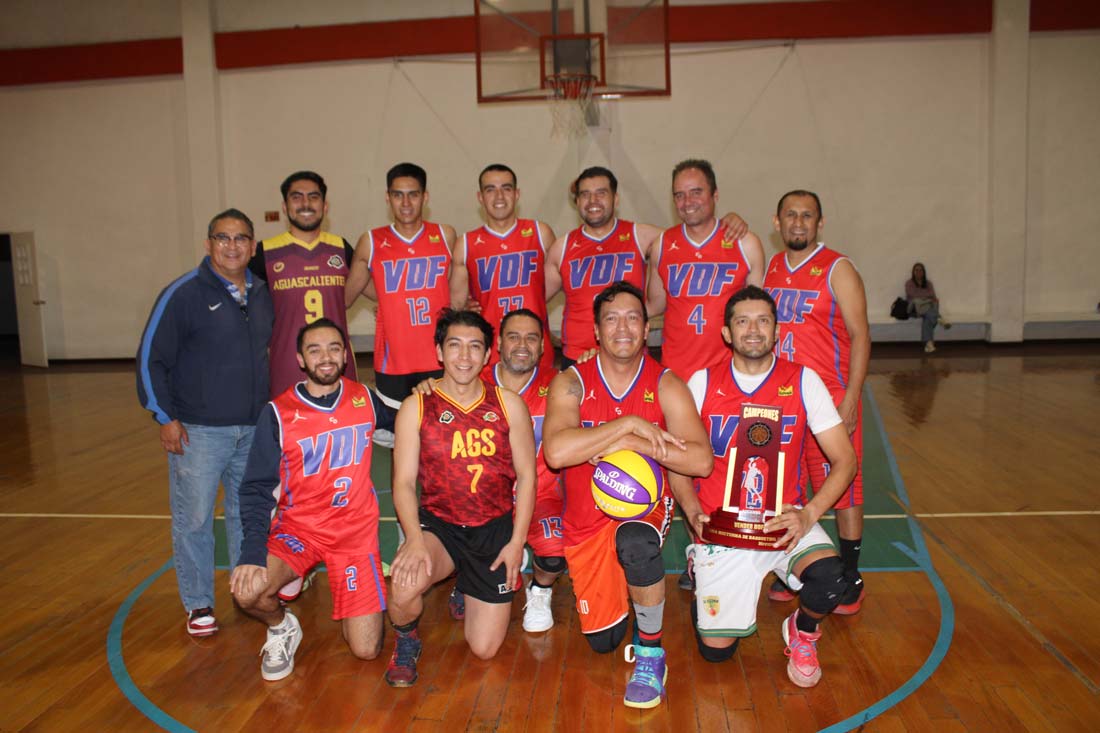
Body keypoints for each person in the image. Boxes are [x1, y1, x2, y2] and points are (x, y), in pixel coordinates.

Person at [671, 286, 857, 688]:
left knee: (831, 577)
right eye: (742, 321)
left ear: (777, 331)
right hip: (723, 527)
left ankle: (803, 631)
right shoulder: (703, 383)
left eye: (763, 321)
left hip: (782, 523)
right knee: (716, 653)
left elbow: (845, 460)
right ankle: (701, 567)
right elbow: (677, 463)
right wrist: (692, 511)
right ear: (726, 332)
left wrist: (809, 513)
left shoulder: (803, 381)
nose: (753, 330)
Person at [543, 282, 713, 709]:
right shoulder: (570, 382)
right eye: (612, 319)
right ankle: (634, 588)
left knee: (635, 543)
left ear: (647, 327)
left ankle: (652, 654)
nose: (623, 328)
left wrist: (633, 444)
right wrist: (629, 425)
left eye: (633, 318)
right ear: (596, 331)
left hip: (644, 509)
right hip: (585, 523)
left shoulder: (668, 384)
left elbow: (701, 461)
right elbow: (557, 452)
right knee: (604, 641)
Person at [230, 319, 393, 681]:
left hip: (354, 535)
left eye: (334, 348)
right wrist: (252, 552)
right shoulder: (278, 413)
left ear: (345, 355)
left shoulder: (364, 398)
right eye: (314, 350)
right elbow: (256, 488)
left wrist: (433, 394)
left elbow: (409, 422)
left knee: (366, 650)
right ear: (301, 359)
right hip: (299, 531)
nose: (326, 357)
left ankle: (321, 590)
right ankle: (281, 625)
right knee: (248, 592)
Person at [136, 208, 273, 636]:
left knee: (246, 515)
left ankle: (246, 592)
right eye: (222, 237)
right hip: (199, 432)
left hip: (253, 429)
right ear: (208, 243)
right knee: (194, 519)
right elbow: (150, 359)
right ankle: (198, 604)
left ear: (253, 246)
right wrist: (165, 417)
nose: (232, 246)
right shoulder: (182, 293)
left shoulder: (262, 292)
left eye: (241, 238)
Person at [385, 309, 536, 687]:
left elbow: (527, 477)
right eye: (454, 346)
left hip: (493, 530)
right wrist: (414, 540)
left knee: (484, 649)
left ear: (488, 355)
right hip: (440, 526)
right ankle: (406, 640)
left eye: (474, 347)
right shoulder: (417, 406)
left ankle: (464, 582)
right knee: (403, 584)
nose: (464, 356)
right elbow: (403, 482)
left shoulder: (508, 405)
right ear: (439, 352)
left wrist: (517, 543)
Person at [762, 190, 870, 614]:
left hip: (828, 397)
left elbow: (860, 335)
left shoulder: (838, 268)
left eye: (807, 216)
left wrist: (852, 397)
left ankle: (851, 576)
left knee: (842, 487)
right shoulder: (772, 267)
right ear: (777, 222)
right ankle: (795, 567)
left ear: (819, 223)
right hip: (786, 400)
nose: (798, 222)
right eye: (791, 215)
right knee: (787, 487)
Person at [546, 167, 750, 368]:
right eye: (585, 195)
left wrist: (727, 222)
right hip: (577, 355)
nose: (593, 201)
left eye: (601, 193)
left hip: (631, 355)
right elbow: (535, 297)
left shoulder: (641, 236)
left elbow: (694, 235)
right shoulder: (562, 247)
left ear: (616, 199)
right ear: (577, 201)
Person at [345, 162, 453, 420]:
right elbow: (347, 296)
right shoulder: (371, 241)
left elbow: (453, 289)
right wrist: (388, 299)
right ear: (388, 198)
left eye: (413, 194)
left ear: (425, 197)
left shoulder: (445, 235)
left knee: (441, 434)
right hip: (393, 362)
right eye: (398, 195)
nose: (405, 203)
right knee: (396, 435)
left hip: (439, 357)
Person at [647, 159, 766, 382]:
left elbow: (761, 313)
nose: (687, 202)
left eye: (696, 192)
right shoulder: (662, 245)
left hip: (729, 372)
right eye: (679, 195)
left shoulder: (745, 243)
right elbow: (654, 305)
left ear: (715, 195)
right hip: (676, 372)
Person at [250, 171, 357, 397]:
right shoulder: (264, 253)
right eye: (297, 197)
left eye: (313, 197)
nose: (305, 204)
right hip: (287, 366)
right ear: (285, 206)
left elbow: (379, 291)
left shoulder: (341, 248)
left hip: (337, 365)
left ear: (325, 206)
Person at [450, 164, 556, 375]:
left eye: (506, 188)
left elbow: (559, 284)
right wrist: (466, 310)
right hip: (491, 352)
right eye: (490, 189)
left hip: (535, 347)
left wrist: (534, 299)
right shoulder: (466, 244)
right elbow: (456, 305)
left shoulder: (540, 233)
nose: (499, 196)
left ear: (517, 194)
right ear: (480, 197)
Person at [906, 262, 950, 353]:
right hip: (914, 309)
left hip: (926, 309)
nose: (918, 272)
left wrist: (925, 297)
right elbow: (913, 294)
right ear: (913, 272)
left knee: (929, 314)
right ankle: (938, 317)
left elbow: (933, 295)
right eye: (916, 270)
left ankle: (929, 344)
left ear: (924, 272)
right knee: (919, 301)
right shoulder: (909, 283)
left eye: (920, 270)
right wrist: (927, 297)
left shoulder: (928, 283)